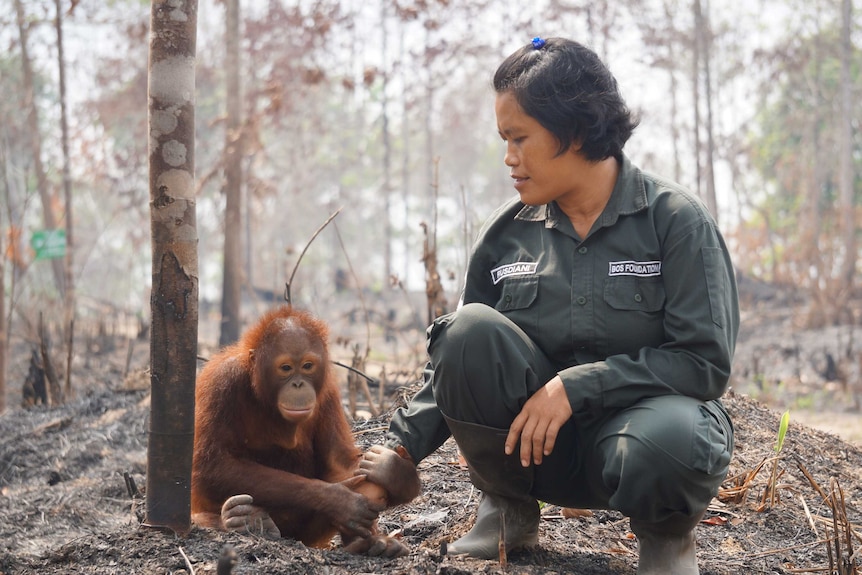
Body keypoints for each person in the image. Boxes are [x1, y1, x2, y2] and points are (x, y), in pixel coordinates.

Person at [358, 36, 737, 575]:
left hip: (639, 445)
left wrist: (575, 386)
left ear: (576, 131)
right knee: (466, 329)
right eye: (503, 140)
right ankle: (508, 511)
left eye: (520, 138)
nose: (509, 158)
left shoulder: (675, 221)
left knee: (675, 434)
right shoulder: (504, 234)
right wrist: (397, 457)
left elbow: (705, 363)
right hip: (533, 452)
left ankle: (665, 541)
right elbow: (456, 363)